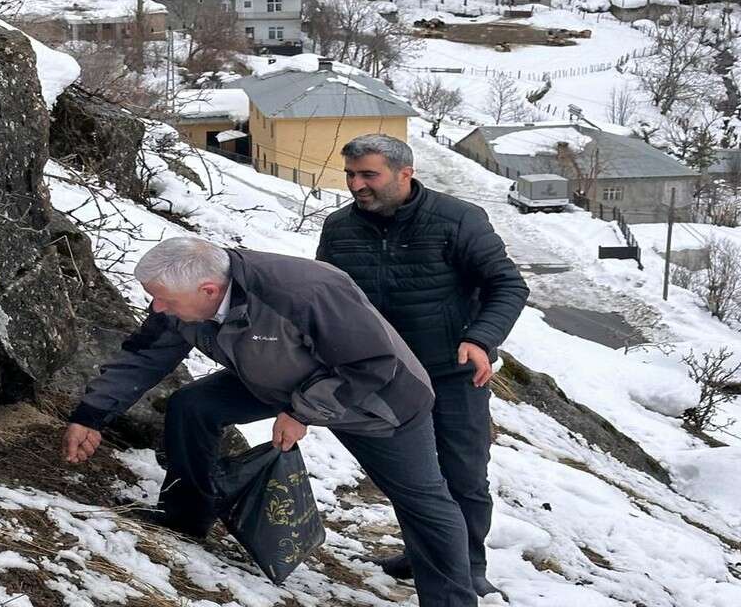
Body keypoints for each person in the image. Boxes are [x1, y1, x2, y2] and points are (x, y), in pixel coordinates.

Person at [62, 237, 477, 606]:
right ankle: (185, 517)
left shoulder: (304, 292)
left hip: (377, 399)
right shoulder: (184, 301)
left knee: (422, 501)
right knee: (194, 406)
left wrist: (301, 413)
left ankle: (451, 600)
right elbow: (144, 356)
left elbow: (372, 364)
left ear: (208, 291)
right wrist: (91, 415)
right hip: (277, 377)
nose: (157, 308)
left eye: (163, 300)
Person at [317, 134, 530, 599]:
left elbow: (508, 285)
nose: (356, 185)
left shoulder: (457, 219)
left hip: (452, 371)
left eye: (368, 175)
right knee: (413, 478)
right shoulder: (339, 228)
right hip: (384, 374)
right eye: (351, 175)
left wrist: (480, 339)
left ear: (405, 173)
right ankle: (424, 554)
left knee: (464, 474)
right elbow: (328, 298)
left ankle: (468, 567)